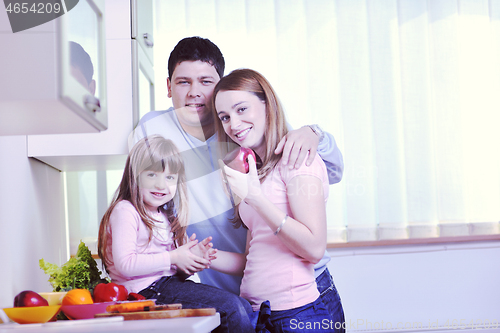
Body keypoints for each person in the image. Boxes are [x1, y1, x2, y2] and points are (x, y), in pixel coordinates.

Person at [130, 36, 344, 324]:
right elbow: (144, 201)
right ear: (169, 87)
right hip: (240, 296)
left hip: (302, 290)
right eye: (183, 82)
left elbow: (324, 170)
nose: (195, 92)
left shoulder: (249, 130)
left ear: (220, 86)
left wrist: (316, 134)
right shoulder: (152, 130)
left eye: (206, 82)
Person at [209, 68, 342, 332]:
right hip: (260, 314)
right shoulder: (253, 172)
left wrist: (256, 199)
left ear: (267, 105)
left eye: (242, 109)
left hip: (300, 314)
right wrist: (203, 256)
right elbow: (254, 255)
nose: (233, 124)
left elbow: (314, 248)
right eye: (225, 117)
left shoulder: (297, 160)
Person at [97, 135, 254, 333]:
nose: (161, 185)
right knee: (232, 309)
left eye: (170, 177)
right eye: (152, 175)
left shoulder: (165, 216)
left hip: (166, 285)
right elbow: (125, 265)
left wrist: (190, 262)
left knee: (244, 307)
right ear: (134, 175)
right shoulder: (125, 211)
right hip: (143, 292)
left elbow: (171, 269)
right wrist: (173, 257)